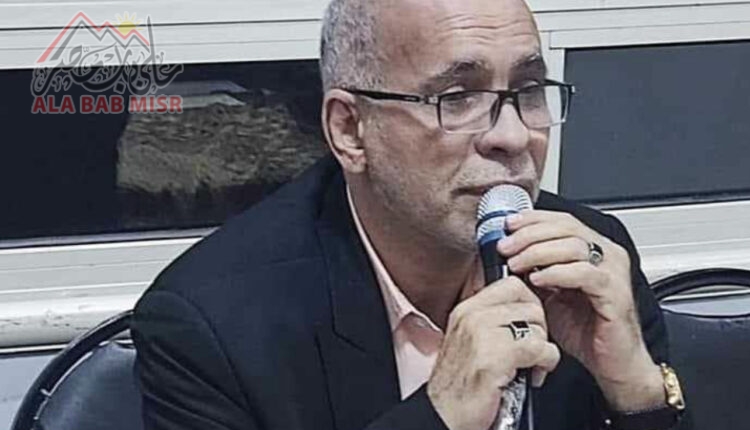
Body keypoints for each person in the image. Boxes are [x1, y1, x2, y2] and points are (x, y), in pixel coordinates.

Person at [131, 0, 689, 429]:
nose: (514, 135)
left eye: (528, 90)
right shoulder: (212, 327)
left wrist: (638, 391)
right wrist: (438, 414)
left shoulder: (589, 258)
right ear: (351, 130)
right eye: (457, 97)